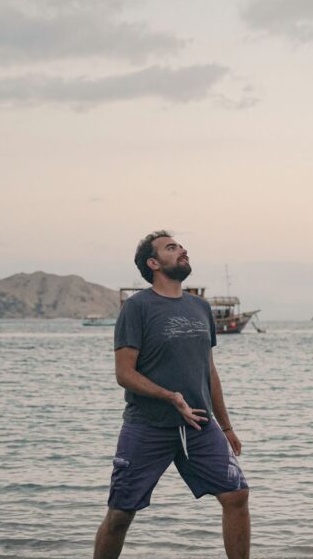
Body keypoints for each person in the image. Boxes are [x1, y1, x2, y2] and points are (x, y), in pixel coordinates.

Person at [93, 231, 250, 559]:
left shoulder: (200, 307)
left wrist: (227, 426)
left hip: (200, 426)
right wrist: (169, 397)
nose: (182, 250)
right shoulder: (137, 308)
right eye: (172, 247)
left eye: (180, 246)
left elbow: (209, 371)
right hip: (148, 426)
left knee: (236, 497)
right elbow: (124, 373)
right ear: (153, 263)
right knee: (121, 514)